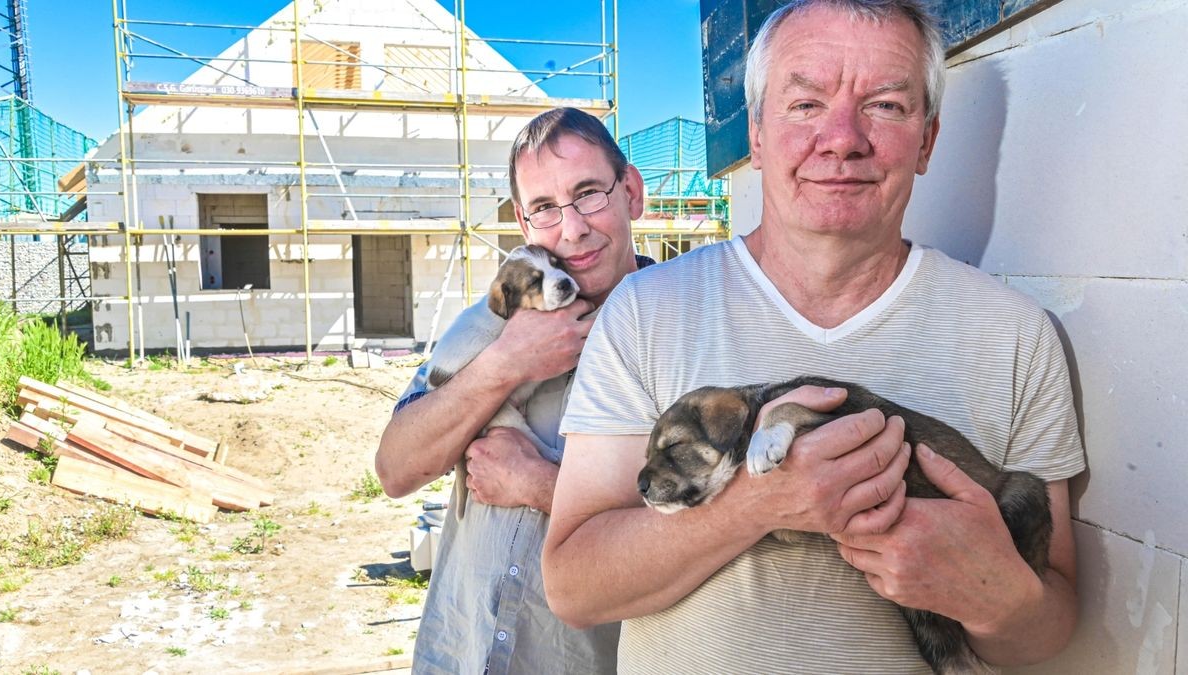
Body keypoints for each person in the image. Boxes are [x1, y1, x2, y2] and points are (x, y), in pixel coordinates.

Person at [543, 1, 1086, 672]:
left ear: (927, 139)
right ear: (758, 136)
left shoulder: (1015, 336)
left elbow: (1054, 622)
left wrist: (996, 596)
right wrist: (760, 503)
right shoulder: (645, 310)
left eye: (885, 106)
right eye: (805, 104)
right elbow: (573, 584)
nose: (842, 138)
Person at [375, 107, 653, 674]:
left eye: (590, 194)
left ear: (631, 192)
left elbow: (707, 526)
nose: (571, 228)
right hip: (459, 651)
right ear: (525, 225)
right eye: (545, 208)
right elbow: (395, 470)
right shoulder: (491, 323)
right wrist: (504, 364)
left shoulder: (682, 331)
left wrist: (540, 484)